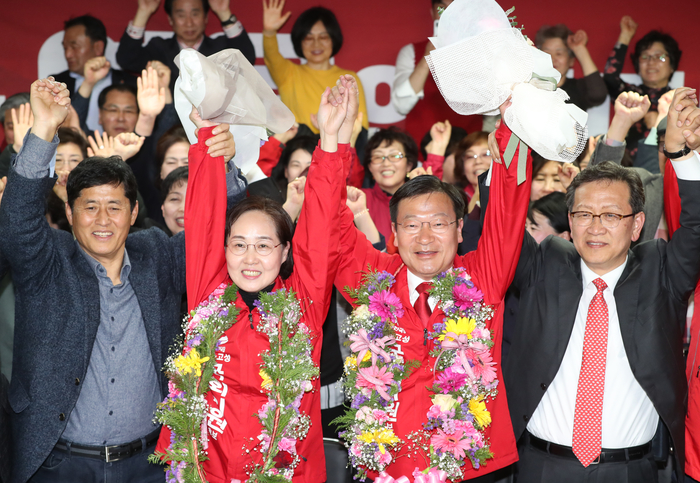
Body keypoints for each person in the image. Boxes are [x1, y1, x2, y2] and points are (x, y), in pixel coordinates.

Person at [0, 77, 239, 483]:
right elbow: (17, 222)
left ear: (133, 213)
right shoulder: (48, 260)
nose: (102, 219)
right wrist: (43, 129)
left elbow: (215, 237)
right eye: (89, 207)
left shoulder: (156, 253)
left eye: (114, 206)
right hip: (57, 463)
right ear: (70, 214)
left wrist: (225, 169)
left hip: (147, 463)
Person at [153, 76, 353, 481]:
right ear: (224, 249)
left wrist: (329, 142)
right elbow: (204, 218)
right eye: (238, 244)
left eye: (263, 246)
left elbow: (319, 228)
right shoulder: (209, 296)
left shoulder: (303, 307)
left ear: (284, 254)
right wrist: (207, 137)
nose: (249, 258)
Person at [334, 74, 532, 479]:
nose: (425, 238)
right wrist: (333, 142)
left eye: (438, 223)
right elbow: (327, 230)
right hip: (385, 468)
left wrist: (511, 117)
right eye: (411, 225)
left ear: (460, 230)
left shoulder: (482, 277)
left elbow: (508, 211)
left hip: (472, 468)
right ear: (392, 233)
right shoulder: (373, 279)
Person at [502, 87, 700, 483]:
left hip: (633, 470)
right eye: (584, 214)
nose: (595, 227)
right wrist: (511, 138)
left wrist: (682, 155)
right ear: (570, 221)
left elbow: (696, 226)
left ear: (637, 224)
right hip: (541, 467)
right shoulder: (547, 262)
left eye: (611, 216)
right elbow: (500, 228)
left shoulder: (660, 269)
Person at [262, 0, 370, 135]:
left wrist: (329, 130)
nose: (316, 44)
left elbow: (360, 126)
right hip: (297, 151)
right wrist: (269, 32)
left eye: (323, 37)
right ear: (300, 42)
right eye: (308, 38)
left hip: (336, 151)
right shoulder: (288, 73)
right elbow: (271, 56)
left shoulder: (348, 78)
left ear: (333, 40)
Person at [391, 0, 486, 143]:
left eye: (456, 8)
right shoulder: (411, 52)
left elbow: (491, 106)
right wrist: (427, 59)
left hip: (469, 153)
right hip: (422, 153)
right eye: (441, 8)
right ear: (432, 13)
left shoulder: (482, 52)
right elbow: (401, 106)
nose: (448, 14)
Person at [116, 0, 255, 92]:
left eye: (195, 14)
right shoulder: (159, 48)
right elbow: (127, 59)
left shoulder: (220, 48)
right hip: (167, 130)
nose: (189, 23)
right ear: (171, 19)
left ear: (205, 18)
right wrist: (143, 12)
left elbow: (247, 58)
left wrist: (224, 12)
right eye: (181, 15)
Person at [603, 15, 682, 160]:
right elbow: (610, 77)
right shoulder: (630, 96)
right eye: (645, 57)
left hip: (664, 170)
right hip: (626, 169)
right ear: (637, 66)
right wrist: (626, 35)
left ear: (672, 66)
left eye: (660, 57)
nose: (651, 62)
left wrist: (662, 121)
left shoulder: (679, 100)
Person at [52, 16, 137, 132]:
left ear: (98, 47)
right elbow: (64, 129)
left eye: (74, 46)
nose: (68, 54)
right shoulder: (56, 84)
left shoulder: (130, 83)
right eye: (65, 48)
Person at [535, 25, 606, 112]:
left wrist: (579, 48)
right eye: (546, 53)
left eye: (559, 53)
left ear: (571, 61)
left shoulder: (577, 88)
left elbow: (598, 94)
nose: (552, 59)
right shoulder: (528, 87)